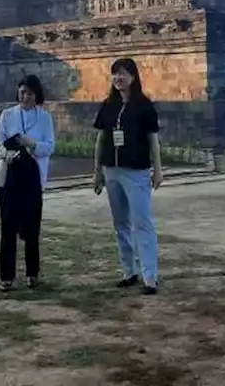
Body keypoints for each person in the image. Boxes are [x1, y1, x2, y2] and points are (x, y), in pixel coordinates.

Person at [91, 57, 164, 295]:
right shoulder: (108, 106)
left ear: (133, 77)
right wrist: (97, 172)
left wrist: (158, 169)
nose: (118, 78)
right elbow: (101, 139)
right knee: (120, 223)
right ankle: (128, 270)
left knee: (142, 222)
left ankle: (150, 275)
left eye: (123, 73)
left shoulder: (143, 106)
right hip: (112, 169)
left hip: (136, 171)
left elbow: (153, 140)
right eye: (115, 74)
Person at [0, 74, 56, 291]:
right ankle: (7, 276)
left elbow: (49, 146)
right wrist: (6, 154)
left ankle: (32, 273)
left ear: (36, 95)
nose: (25, 96)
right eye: (22, 92)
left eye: (29, 93)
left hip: (33, 174)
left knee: (32, 227)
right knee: (8, 227)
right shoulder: (7, 115)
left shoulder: (45, 118)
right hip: (10, 175)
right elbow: (0, 143)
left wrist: (32, 144)